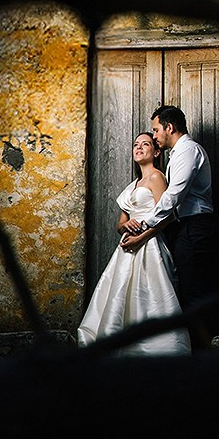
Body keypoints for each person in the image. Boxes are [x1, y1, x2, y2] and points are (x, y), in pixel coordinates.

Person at [75, 132, 189, 354]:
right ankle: (120, 341)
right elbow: (120, 223)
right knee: (120, 292)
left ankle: (152, 347)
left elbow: (166, 217)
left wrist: (141, 237)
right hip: (127, 247)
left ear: (156, 152)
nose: (138, 148)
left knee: (149, 293)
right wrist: (126, 229)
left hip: (149, 244)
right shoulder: (133, 185)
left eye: (145, 144)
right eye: (136, 144)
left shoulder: (157, 178)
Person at [147, 104, 219, 349]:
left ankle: (206, 357)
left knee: (196, 295)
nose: (155, 136)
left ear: (170, 127)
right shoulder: (179, 153)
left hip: (196, 228)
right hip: (186, 228)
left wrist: (146, 223)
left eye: (156, 130)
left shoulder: (189, 150)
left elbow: (174, 195)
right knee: (189, 293)